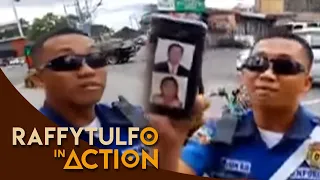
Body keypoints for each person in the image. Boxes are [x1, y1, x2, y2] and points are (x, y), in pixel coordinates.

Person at [149, 28, 320, 179]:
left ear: (306, 83)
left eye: (285, 66)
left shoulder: (316, 137)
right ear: (243, 75)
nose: (267, 74)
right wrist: (169, 143)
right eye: (257, 63)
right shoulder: (218, 132)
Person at [30, 27, 144, 152]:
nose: (88, 71)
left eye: (95, 58)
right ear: (38, 79)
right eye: (67, 61)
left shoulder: (132, 119)